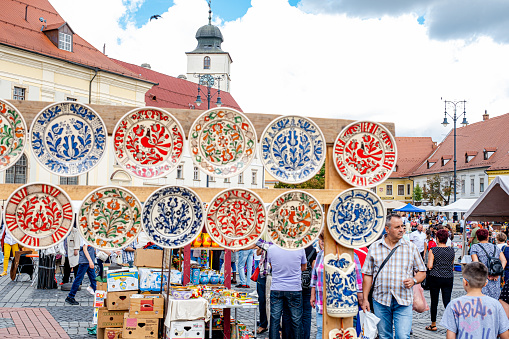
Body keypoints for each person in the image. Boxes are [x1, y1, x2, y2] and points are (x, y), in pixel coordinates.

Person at [361, 214, 426, 339]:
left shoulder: (410, 247)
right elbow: (368, 275)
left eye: (402, 226)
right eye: (397, 227)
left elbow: (422, 272)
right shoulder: (375, 247)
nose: (401, 229)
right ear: (387, 229)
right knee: (385, 336)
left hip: (403, 300)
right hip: (380, 300)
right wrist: (365, 299)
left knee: (403, 336)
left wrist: (414, 280)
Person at [440, 262, 509, 339]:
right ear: (485, 283)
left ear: (465, 282)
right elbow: (504, 334)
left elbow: (450, 336)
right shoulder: (496, 304)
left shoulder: (454, 304)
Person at [267, 245, 306, 339]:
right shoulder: (299, 248)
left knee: (274, 319)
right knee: (296, 320)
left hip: (277, 287)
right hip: (294, 288)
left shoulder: (271, 249)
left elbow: (271, 266)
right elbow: (304, 267)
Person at [425, 229, 455, 332]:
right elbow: (451, 263)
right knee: (447, 301)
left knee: (434, 301)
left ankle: (433, 324)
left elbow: (429, 265)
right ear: (447, 239)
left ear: (437, 238)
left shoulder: (433, 250)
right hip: (448, 277)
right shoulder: (451, 250)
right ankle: (450, 325)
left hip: (435, 277)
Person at [471, 229, 507, 299]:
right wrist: (497, 273)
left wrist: (485, 274)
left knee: (483, 302)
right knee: (494, 301)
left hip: (483, 278)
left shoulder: (475, 247)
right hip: (495, 278)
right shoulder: (495, 247)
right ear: (488, 237)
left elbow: (476, 262)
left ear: (477, 238)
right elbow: (504, 260)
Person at [255, 238, 272, 335]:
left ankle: (275, 327)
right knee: (262, 299)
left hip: (271, 274)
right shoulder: (264, 240)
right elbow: (257, 252)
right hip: (262, 272)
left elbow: (253, 244)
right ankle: (263, 324)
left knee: (270, 300)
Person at [301, 244, 317, 339]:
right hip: (307, 285)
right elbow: (314, 269)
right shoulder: (311, 249)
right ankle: (305, 336)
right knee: (307, 313)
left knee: (295, 313)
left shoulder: (294, 248)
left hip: (294, 284)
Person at [310, 234, 324, 339]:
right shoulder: (320, 255)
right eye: (321, 239)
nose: (322, 242)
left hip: (339, 304)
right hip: (321, 300)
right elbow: (314, 276)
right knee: (320, 330)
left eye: (324, 239)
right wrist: (312, 294)